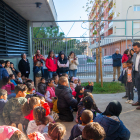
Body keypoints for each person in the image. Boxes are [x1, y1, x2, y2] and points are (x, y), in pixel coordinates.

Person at [131, 42, 140, 110]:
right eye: (134, 49)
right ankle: (139, 101)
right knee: (138, 88)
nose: (135, 50)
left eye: (136, 48)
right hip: (136, 73)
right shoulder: (134, 55)